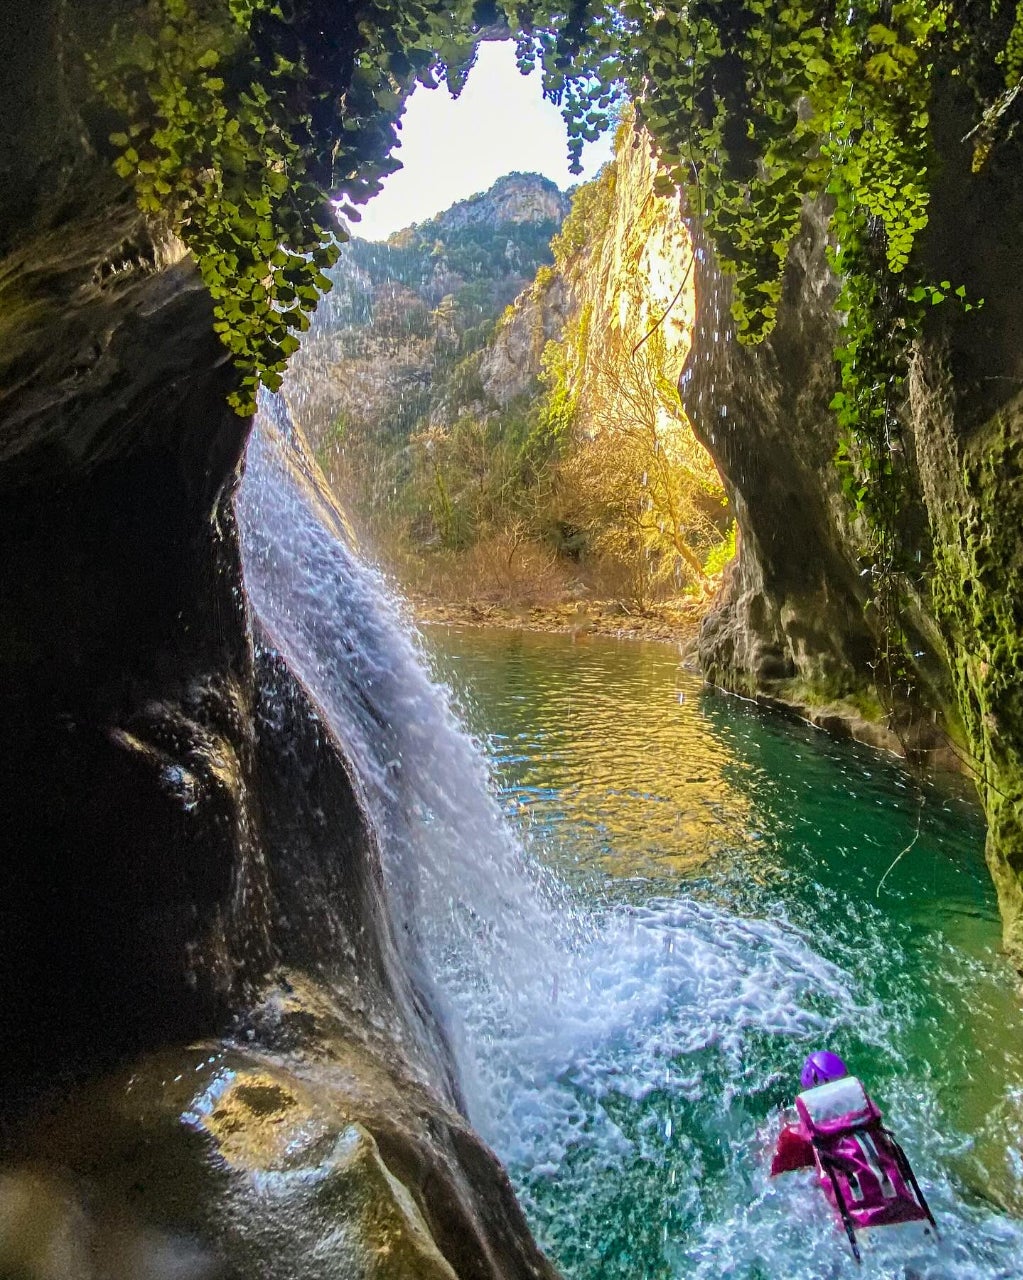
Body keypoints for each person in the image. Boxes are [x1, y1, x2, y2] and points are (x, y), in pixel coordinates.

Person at [770, 1050, 937, 1262]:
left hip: (862, 1233)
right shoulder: (872, 1124)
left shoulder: (798, 1135)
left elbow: (773, 1179)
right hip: (912, 1218)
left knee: (802, 1204)